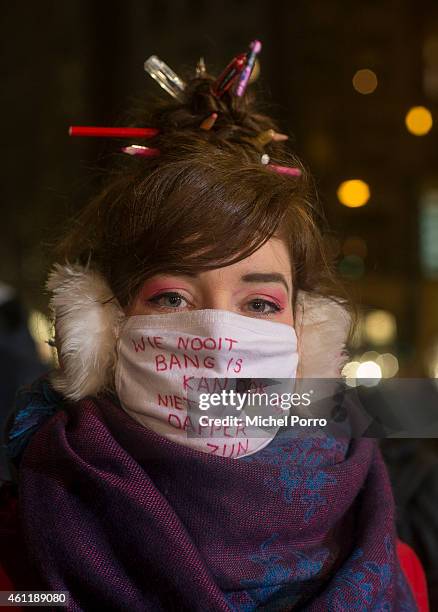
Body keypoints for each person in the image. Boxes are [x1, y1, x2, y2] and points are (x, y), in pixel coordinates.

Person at [1, 43, 429, 610]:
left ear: (310, 341)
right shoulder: (20, 576)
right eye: (173, 296)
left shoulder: (398, 567)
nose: (220, 340)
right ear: (101, 333)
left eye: (258, 305)